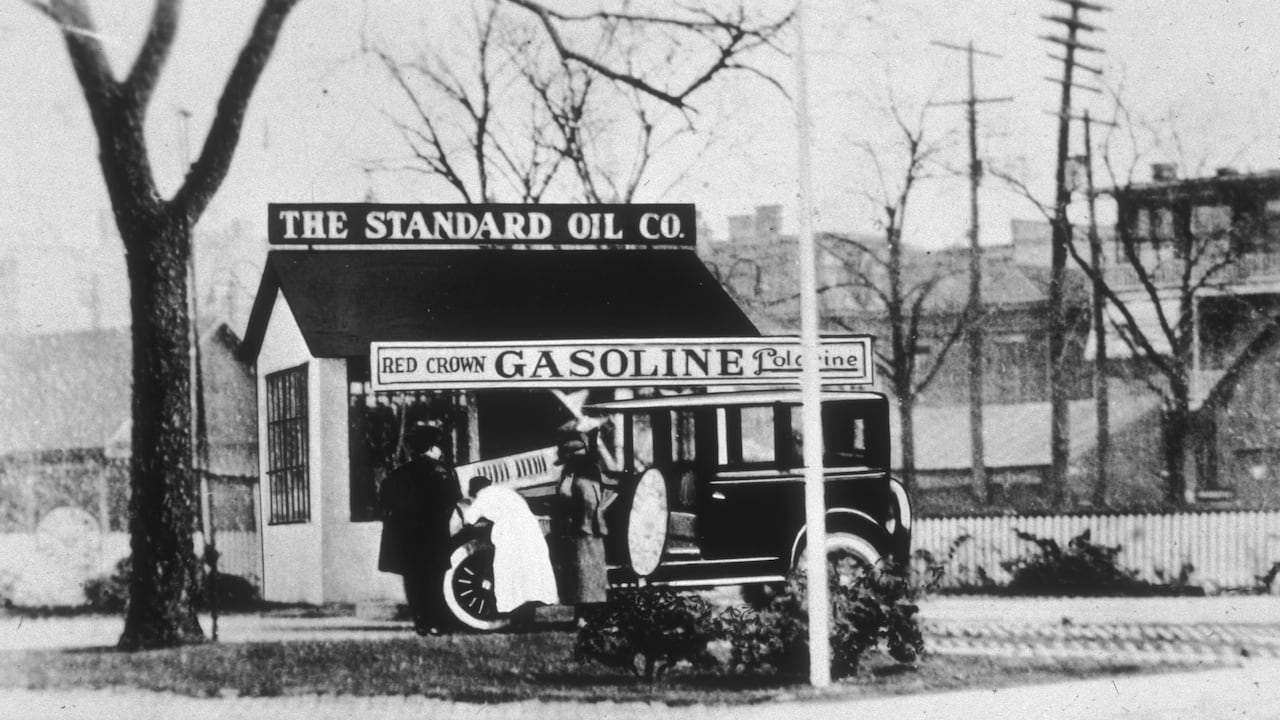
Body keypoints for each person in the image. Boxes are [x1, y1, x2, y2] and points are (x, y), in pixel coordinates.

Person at [377, 418, 461, 635]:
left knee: (413, 581)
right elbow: (452, 499)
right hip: (433, 536)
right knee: (434, 580)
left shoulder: (399, 473)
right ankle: (435, 622)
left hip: (406, 540)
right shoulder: (441, 472)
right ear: (433, 448)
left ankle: (421, 623)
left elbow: (385, 499)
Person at [460, 476, 558, 618]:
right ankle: (529, 616)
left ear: (475, 490)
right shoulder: (506, 491)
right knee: (529, 575)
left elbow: (469, 519)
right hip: (530, 531)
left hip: (511, 535)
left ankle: (516, 616)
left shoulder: (482, 496)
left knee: (510, 574)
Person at [552, 432, 609, 614]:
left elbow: (589, 500)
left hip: (585, 530)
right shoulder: (572, 473)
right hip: (575, 530)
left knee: (586, 575)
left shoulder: (586, 474)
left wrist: (584, 524)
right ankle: (581, 615)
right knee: (578, 574)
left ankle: (586, 616)